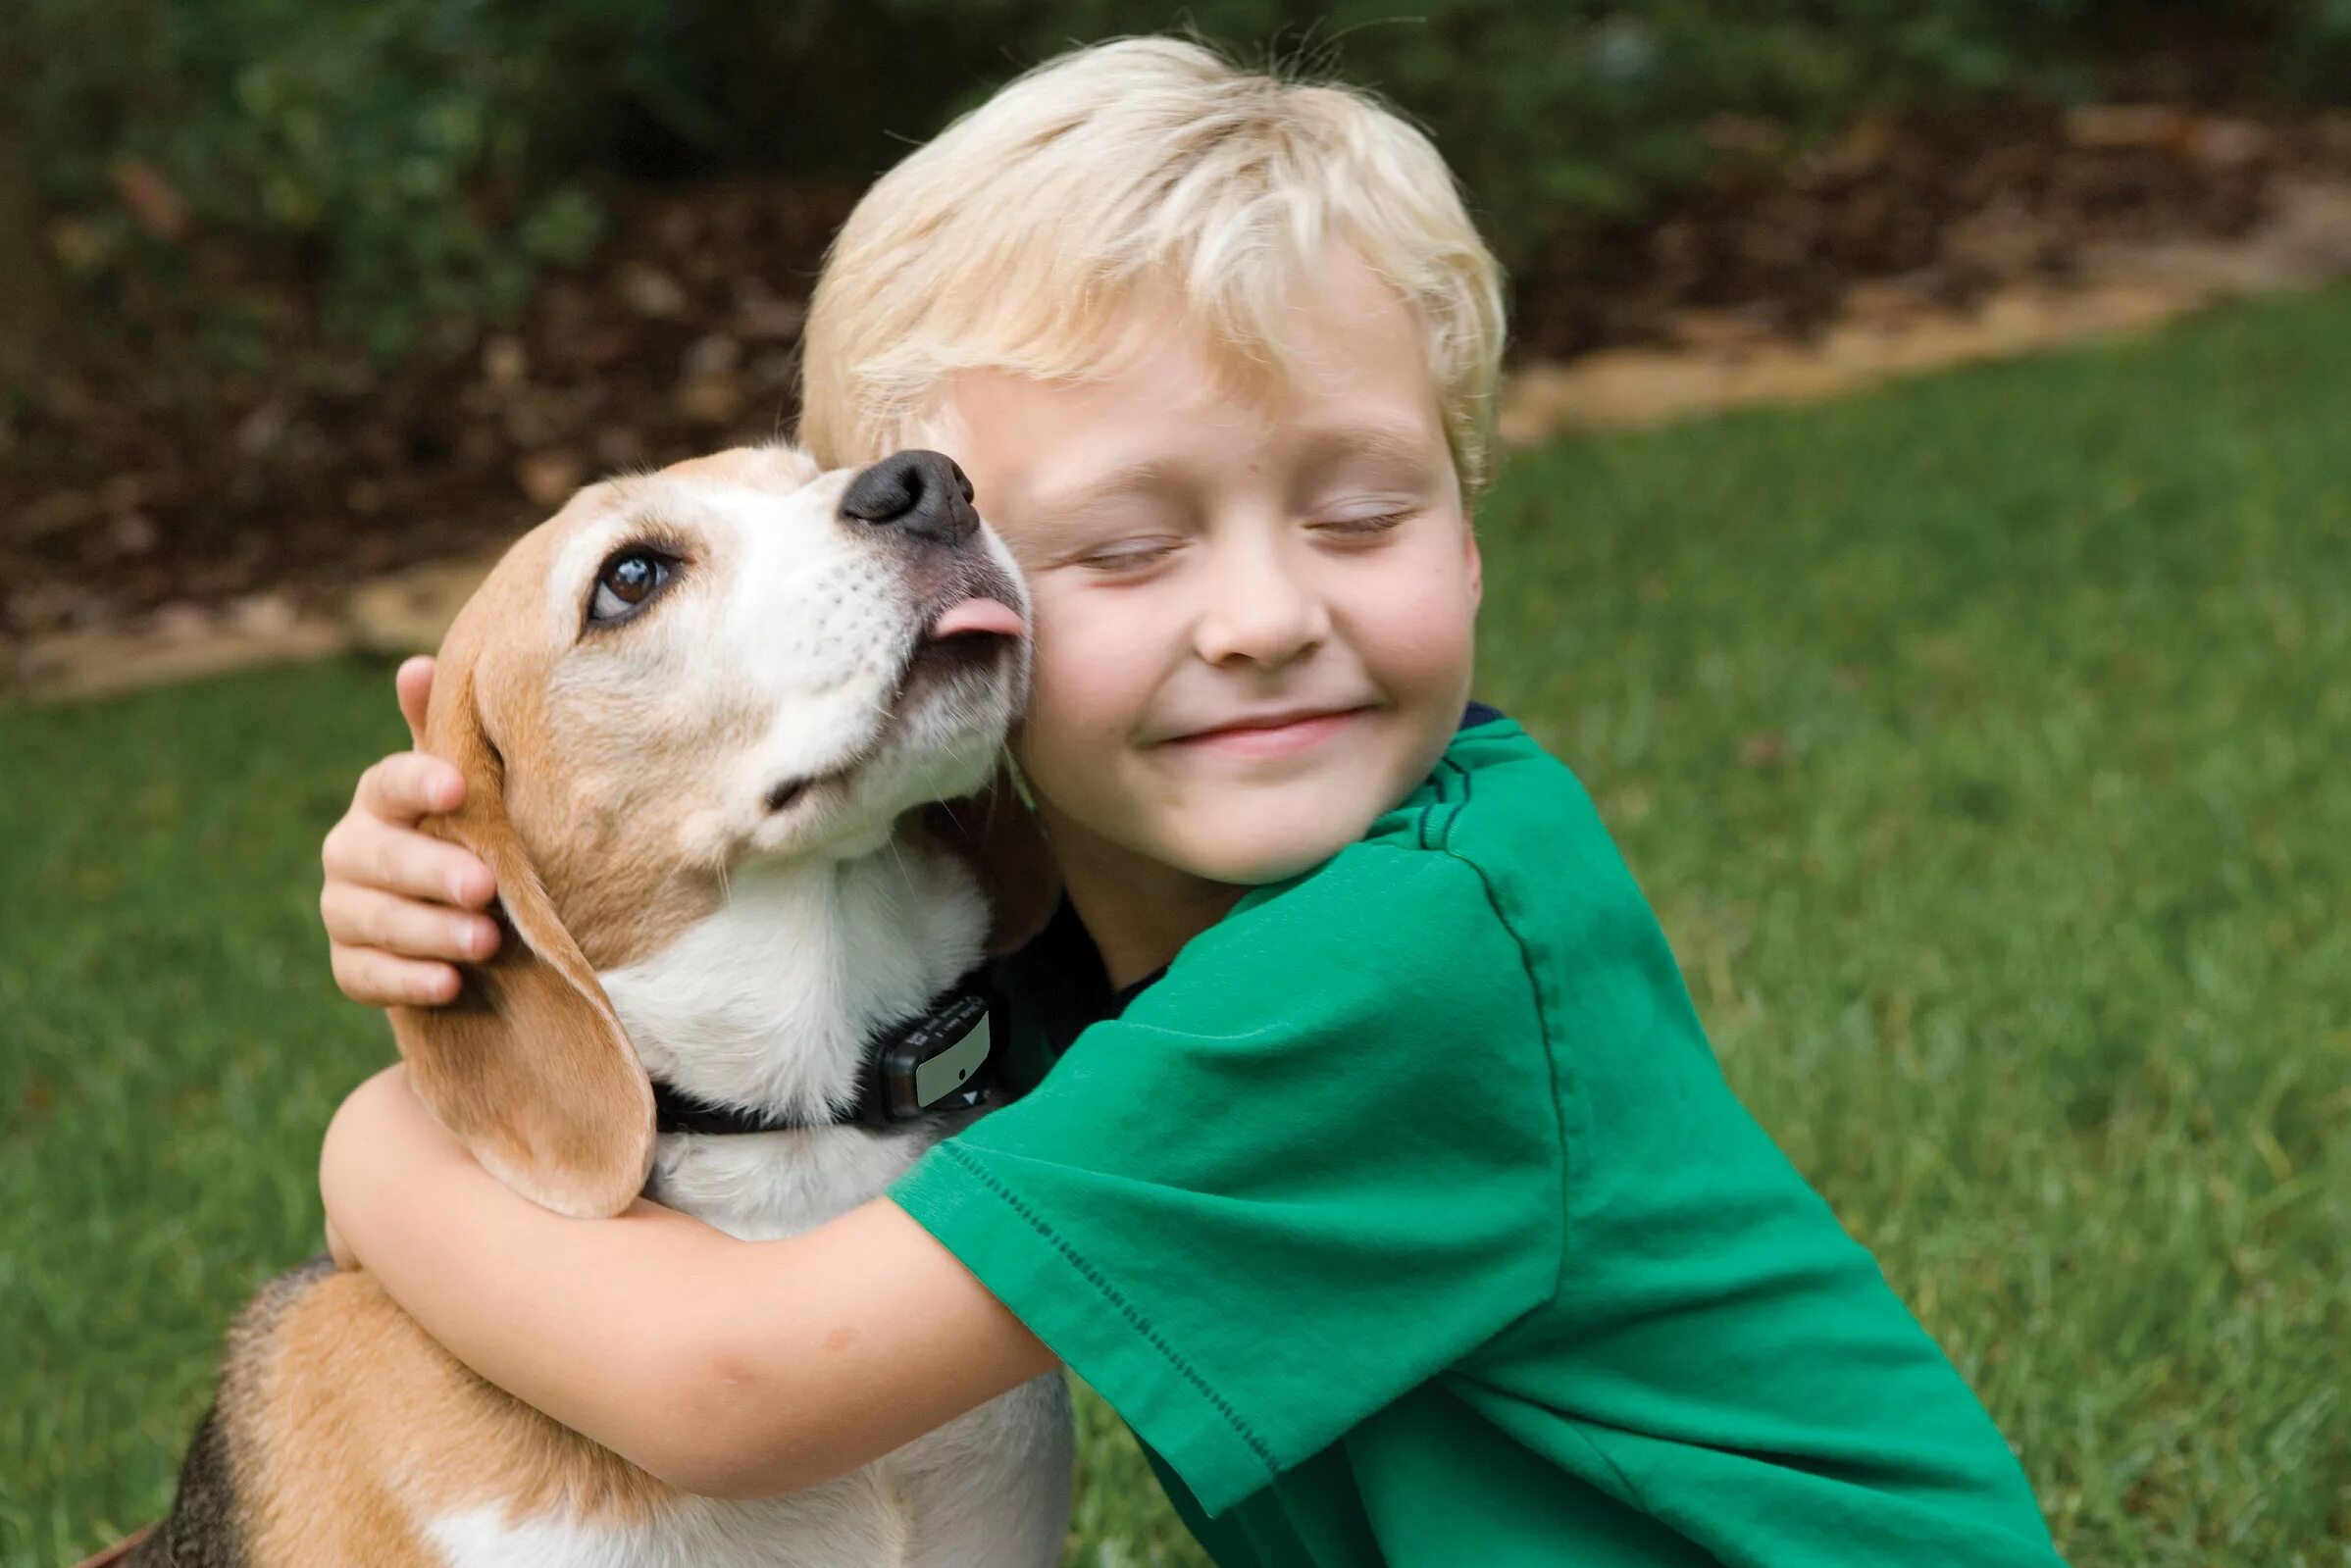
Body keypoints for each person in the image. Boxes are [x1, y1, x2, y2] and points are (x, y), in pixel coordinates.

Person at [314, 37, 2069, 1567]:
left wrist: (381, 1140)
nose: (1263, 620)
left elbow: (741, 1387)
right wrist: (475, 894)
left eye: (1362, 515)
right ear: (963, 586)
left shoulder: (1409, 950)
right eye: (1129, 548)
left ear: (1467, 539)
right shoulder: (1066, 914)